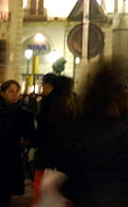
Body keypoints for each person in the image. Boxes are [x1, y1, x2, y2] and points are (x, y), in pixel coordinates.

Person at [46, 57, 128, 206]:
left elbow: (65, 163)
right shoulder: (118, 130)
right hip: (111, 198)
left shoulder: (79, 125)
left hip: (87, 198)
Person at [0, 80, 36, 207]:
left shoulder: (23, 112)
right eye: (11, 91)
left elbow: (30, 134)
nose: (15, 94)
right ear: (3, 93)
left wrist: (25, 141)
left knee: (3, 195)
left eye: (17, 91)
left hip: (10, 156)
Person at [32, 73, 77, 202]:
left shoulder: (51, 103)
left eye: (43, 84)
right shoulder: (70, 103)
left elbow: (45, 128)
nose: (42, 87)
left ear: (50, 85)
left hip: (49, 156)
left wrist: (34, 141)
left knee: (43, 193)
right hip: (64, 157)